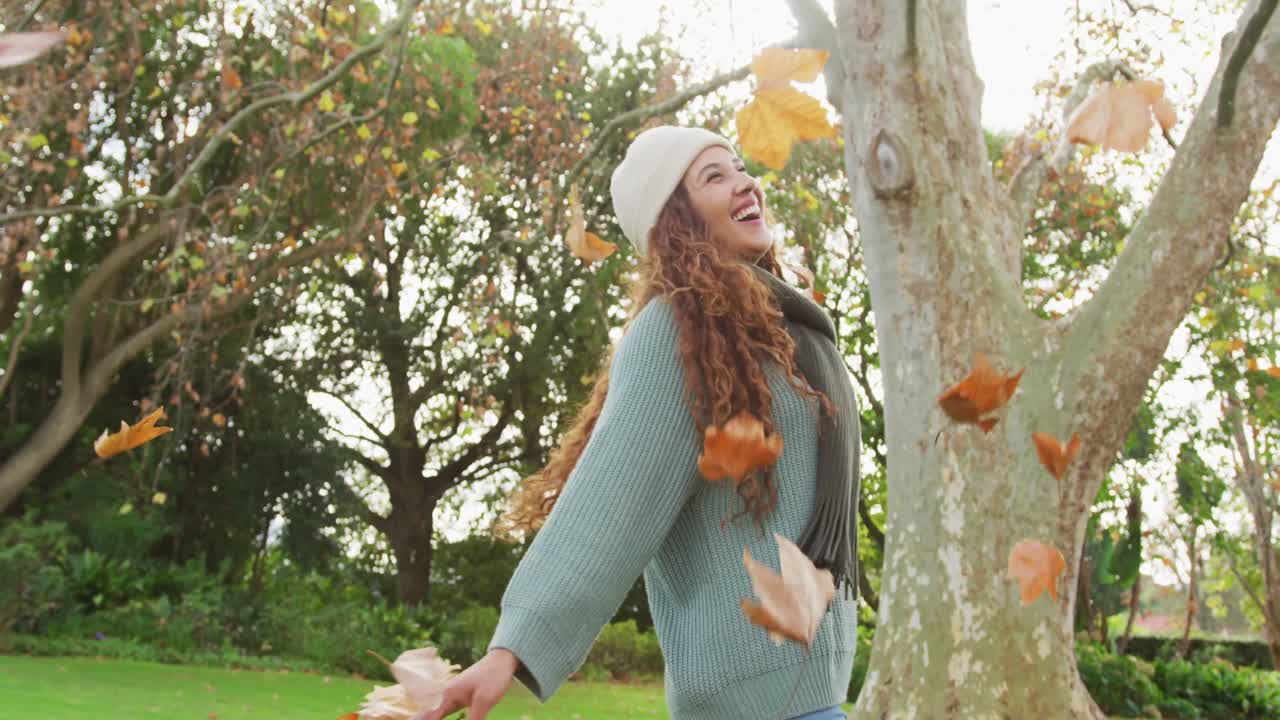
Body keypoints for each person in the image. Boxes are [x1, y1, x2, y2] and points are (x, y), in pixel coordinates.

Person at [419, 126, 861, 720]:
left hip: (810, 693)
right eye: (715, 176)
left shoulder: (787, 335)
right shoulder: (677, 331)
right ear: (676, 219)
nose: (744, 182)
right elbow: (609, 501)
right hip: (750, 702)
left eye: (738, 167)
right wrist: (512, 648)